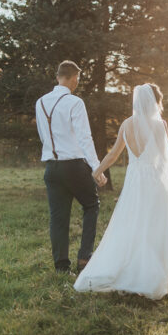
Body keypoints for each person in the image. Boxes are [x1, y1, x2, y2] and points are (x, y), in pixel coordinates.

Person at [73, 83, 168, 300]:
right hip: (156, 181)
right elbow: (164, 158)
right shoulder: (160, 126)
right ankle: (152, 275)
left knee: (132, 223)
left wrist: (96, 172)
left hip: (135, 182)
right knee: (155, 226)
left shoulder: (127, 125)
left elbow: (112, 156)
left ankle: (132, 270)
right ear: (155, 101)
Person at [35, 60, 106, 274]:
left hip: (51, 168)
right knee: (91, 206)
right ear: (74, 78)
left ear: (58, 76)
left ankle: (61, 267)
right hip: (74, 166)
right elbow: (85, 138)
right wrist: (97, 168)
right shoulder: (75, 102)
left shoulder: (40, 103)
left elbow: (42, 134)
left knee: (58, 218)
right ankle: (84, 258)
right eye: (78, 79)